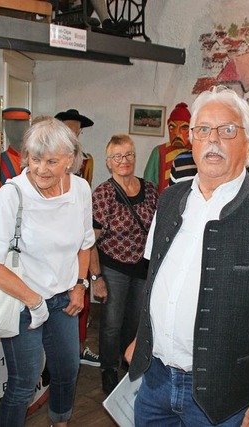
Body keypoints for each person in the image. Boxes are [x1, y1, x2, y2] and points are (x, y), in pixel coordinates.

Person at [127, 86, 249, 427]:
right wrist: (141, 339)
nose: (213, 140)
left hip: (227, 401)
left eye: (227, 130)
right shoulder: (169, 199)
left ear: (247, 143)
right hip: (155, 385)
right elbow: (155, 279)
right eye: (203, 130)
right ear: (192, 141)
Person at [0, 117, 95, 427]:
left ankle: (60, 421)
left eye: (51, 161)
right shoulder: (12, 194)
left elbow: (85, 243)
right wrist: (33, 300)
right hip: (22, 302)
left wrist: (80, 285)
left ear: (69, 160)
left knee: (68, 370)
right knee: (23, 382)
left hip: (63, 301)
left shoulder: (81, 190)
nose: (40, 168)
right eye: (34, 158)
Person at [90, 134, 158, 395]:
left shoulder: (150, 190)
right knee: (111, 324)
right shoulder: (104, 194)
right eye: (117, 156)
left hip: (142, 270)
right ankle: (108, 369)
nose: (124, 161)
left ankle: (127, 365)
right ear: (109, 162)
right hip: (113, 269)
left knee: (135, 324)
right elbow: (90, 241)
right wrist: (96, 278)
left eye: (129, 154)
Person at [54, 107, 99, 366]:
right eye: (70, 130)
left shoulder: (86, 161)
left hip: (78, 235)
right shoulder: (50, 163)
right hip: (57, 241)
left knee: (81, 294)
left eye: (77, 131)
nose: (75, 135)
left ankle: (78, 347)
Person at [143, 102, 192, 193]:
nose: (177, 133)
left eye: (184, 127)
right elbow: (148, 183)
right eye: (172, 127)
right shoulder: (159, 152)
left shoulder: (196, 151)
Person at [54, 108, 95, 185]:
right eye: (68, 131)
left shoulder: (85, 160)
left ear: (79, 131)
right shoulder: (51, 155)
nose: (72, 136)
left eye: (75, 132)